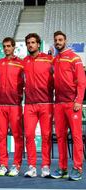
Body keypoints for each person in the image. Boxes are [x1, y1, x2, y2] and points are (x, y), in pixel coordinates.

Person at [51, 31, 86, 181]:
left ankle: (77, 167)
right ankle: (63, 168)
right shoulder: (55, 59)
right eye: (56, 40)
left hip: (72, 104)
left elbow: (82, 81)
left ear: (65, 41)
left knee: (77, 136)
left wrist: (78, 100)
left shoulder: (74, 58)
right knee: (60, 137)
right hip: (58, 104)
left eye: (60, 40)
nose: (58, 42)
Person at [23, 33, 53, 178]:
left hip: (46, 103)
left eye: (33, 42)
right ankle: (32, 167)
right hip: (29, 105)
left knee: (46, 136)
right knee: (29, 135)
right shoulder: (24, 62)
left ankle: (46, 166)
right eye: (28, 43)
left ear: (38, 44)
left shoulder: (49, 59)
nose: (30, 45)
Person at [0, 37, 24, 177]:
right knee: (1, 136)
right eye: (4, 46)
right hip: (0, 105)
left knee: (17, 136)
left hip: (15, 105)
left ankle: (16, 165)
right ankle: (3, 165)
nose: (6, 48)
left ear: (14, 47)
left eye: (9, 46)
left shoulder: (21, 64)